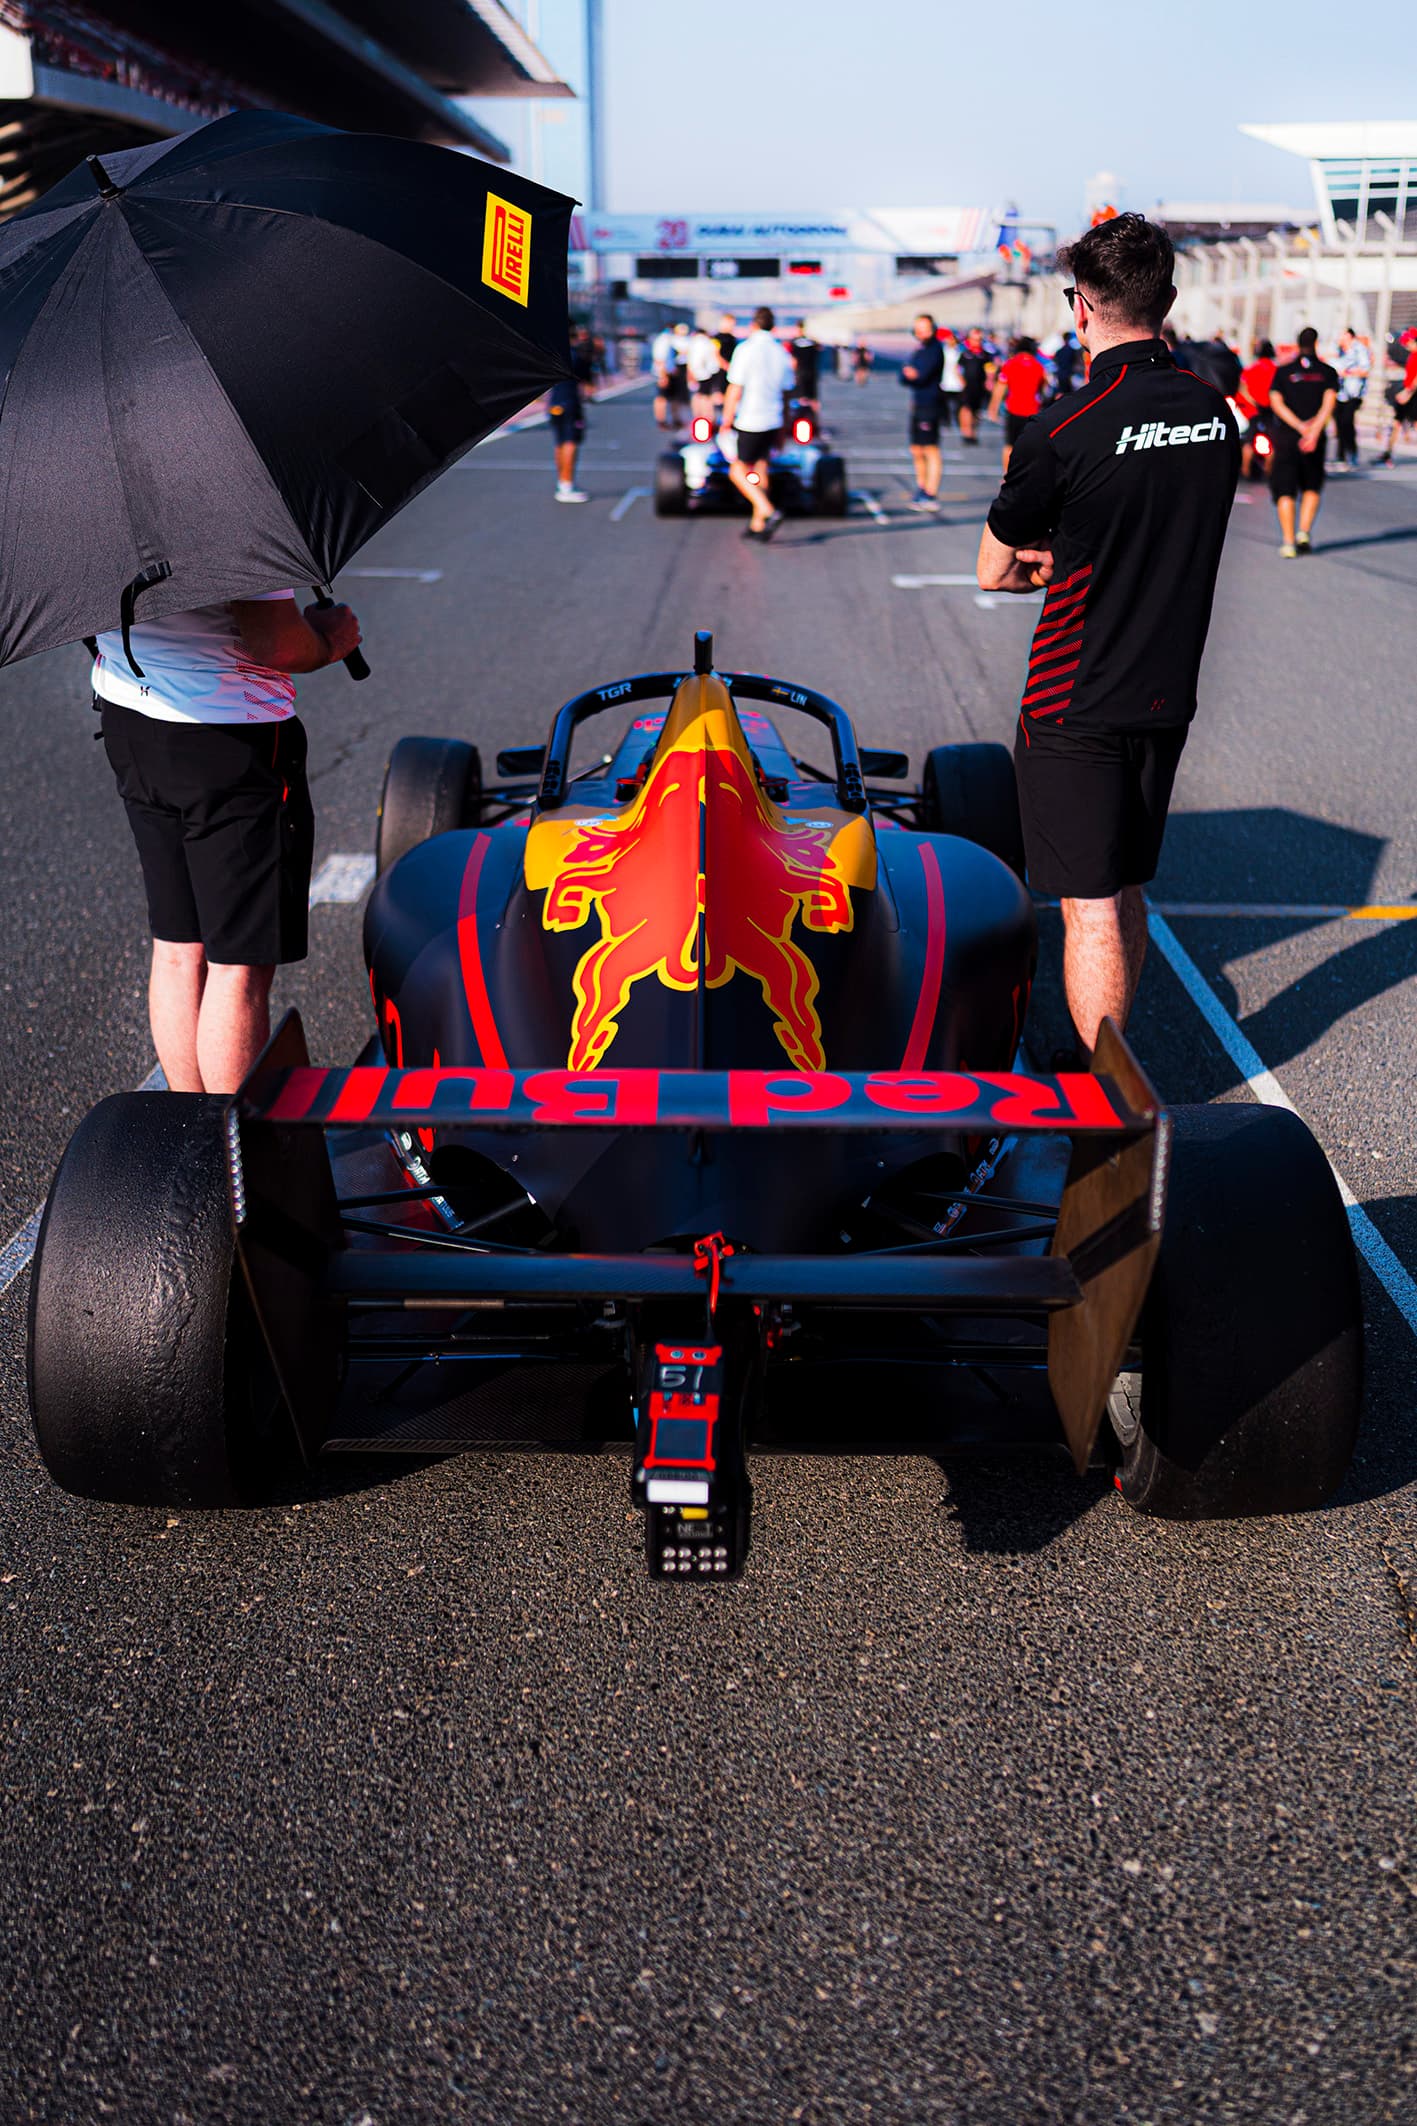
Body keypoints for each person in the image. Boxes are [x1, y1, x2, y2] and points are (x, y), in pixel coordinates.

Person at [976, 211, 1239, 1059]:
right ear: (1164, 300)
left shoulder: (1061, 427)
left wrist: (1044, 566)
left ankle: (1101, 1112)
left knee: (1086, 907)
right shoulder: (1214, 412)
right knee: (1124, 886)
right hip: (1167, 687)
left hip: (1075, 695)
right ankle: (1120, 1073)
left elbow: (993, 568)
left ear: (1078, 307)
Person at [95, 592, 362, 1095]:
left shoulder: (86, 511)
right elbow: (275, 643)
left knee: (178, 947)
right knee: (236, 965)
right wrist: (331, 641)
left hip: (130, 713)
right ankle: (233, 1158)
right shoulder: (232, 517)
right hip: (229, 735)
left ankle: (195, 1139)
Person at [720, 305, 794, 540]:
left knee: (738, 470)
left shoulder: (746, 349)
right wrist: (784, 425)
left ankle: (767, 510)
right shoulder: (780, 352)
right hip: (773, 418)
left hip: (751, 418)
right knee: (761, 467)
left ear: (753, 325)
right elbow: (786, 393)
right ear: (774, 327)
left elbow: (735, 388)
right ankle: (757, 524)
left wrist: (726, 419)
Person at [1268, 327, 1338, 555]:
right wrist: (1314, 431)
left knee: (1285, 490)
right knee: (1311, 486)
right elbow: (1329, 403)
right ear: (1316, 342)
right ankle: (1303, 532)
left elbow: (1276, 402)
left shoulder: (1284, 371)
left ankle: (1288, 541)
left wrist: (1299, 427)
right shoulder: (1327, 372)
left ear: (1297, 343)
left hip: (1288, 438)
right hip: (1314, 440)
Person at [900, 312, 945, 510]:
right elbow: (904, 375)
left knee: (930, 449)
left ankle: (931, 493)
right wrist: (910, 374)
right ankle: (921, 487)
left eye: (925, 328)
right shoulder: (920, 350)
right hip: (918, 404)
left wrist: (912, 374)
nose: (921, 332)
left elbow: (921, 375)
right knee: (916, 449)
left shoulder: (934, 349)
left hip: (930, 404)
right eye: (918, 328)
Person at [987, 334, 1048, 470]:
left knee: (1009, 445)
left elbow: (1000, 388)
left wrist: (993, 408)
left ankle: (1007, 476)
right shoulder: (1038, 366)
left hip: (1014, 410)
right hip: (1032, 411)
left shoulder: (1010, 364)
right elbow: (1043, 390)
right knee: (1030, 446)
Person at [549, 324, 595, 502]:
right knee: (570, 442)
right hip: (570, 403)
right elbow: (587, 381)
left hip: (555, 403)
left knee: (560, 442)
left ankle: (562, 482)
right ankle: (567, 485)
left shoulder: (554, 355)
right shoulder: (574, 356)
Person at [1373, 330, 1417, 465]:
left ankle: (1388, 453)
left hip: (1413, 395)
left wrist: (1407, 393)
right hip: (1409, 392)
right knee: (1396, 423)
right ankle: (1387, 453)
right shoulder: (1412, 355)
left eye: (1408, 342)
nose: (1405, 345)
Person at [1237, 337, 1276, 480]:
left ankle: (1245, 470)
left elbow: (1243, 389)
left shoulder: (1251, 368)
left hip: (1252, 410)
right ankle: (1268, 470)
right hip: (1269, 410)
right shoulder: (1275, 369)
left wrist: (1253, 402)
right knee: (1272, 442)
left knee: (1249, 441)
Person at [1332, 327, 1369, 468]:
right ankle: (1340, 456)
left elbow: (1365, 370)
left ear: (1350, 336)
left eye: (1343, 336)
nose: (1340, 339)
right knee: (1339, 424)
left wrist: (1347, 373)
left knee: (1347, 422)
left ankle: (1352, 452)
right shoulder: (1339, 351)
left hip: (1353, 393)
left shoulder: (1359, 350)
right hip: (1340, 393)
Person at [958, 328, 991, 445]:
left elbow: (989, 369)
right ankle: (966, 432)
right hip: (968, 386)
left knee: (976, 411)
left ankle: (973, 432)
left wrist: (989, 381)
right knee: (966, 409)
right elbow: (958, 369)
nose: (976, 342)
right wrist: (961, 381)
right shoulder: (965, 354)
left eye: (979, 340)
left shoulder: (985, 355)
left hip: (979, 386)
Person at [685, 324, 722, 421]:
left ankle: (701, 418)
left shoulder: (695, 342)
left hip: (699, 374)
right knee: (705, 397)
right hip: (707, 374)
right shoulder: (708, 342)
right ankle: (708, 419)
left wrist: (691, 375)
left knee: (699, 396)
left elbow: (693, 361)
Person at [788, 320, 821, 413]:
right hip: (812, 373)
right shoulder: (813, 342)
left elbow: (793, 361)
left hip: (800, 373)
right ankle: (815, 421)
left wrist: (793, 375)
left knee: (800, 399)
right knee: (813, 399)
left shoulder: (794, 342)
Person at [940, 329, 965, 429]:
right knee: (944, 405)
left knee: (959, 405)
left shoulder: (961, 351)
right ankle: (946, 421)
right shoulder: (942, 351)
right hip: (945, 382)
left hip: (958, 383)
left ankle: (959, 421)